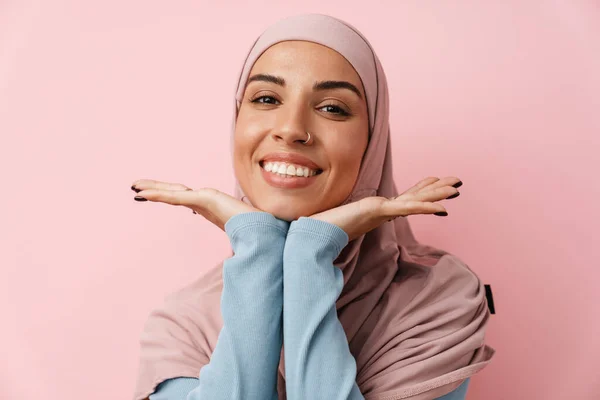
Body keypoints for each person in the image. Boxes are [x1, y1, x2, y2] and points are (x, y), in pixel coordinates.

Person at [130, 13, 495, 400]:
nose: (290, 129)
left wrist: (309, 253)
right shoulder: (183, 324)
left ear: (372, 143)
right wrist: (260, 249)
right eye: (266, 99)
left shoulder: (438, 301)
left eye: (333, 108)